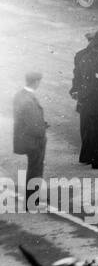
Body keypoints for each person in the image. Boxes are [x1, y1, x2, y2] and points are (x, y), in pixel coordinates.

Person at [72, 30, 98, 168]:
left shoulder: (84, 56)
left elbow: (79, 76)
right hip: (95, 100)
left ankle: (86, 156)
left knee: (88, 129)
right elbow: (97, 83)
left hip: (85, 98)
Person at [12, 71, 48, 200]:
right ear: (36, 82)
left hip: (25, 138)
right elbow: (33, 124)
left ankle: (33, 196)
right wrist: (42, 131)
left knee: (34, 168)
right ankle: (33, 198)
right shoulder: (29, 99)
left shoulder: (21, 95)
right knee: (36, 169)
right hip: (34, 140)